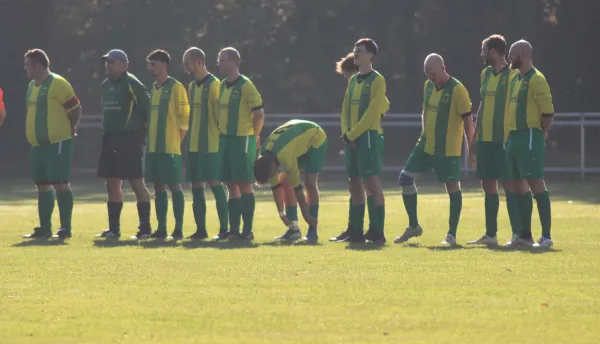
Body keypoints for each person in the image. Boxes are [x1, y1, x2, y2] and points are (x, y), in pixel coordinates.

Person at [395, 53, 474, 246]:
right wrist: (424, 134)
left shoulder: (458, 89)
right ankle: (413, 226)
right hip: (425, 144)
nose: (431, 78)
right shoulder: (428, 86)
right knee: (405, 178)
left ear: (443, 68)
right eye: (427, 74)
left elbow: (468, 122)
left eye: (433, 74)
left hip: (447, 149)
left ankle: (451, 235)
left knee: (452, 187)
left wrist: (472, 149)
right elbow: (425, 111)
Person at [467, 35, 524, 246]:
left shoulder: (512, 75)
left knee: (508, 184)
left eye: (483, 50)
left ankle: (517, 234)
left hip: (504, 140)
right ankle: (491, 235)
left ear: (493, 51)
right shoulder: (485, 74)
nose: (481, 54)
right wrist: (474, 137)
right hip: (486, 139)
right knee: (487, 184)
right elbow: (482, 106)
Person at [333, 38, 389, 244]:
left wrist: (354, 133)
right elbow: (345, 110)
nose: (355, 54)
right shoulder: (353, 80)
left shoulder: (377, 80)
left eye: (360, 51)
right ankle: (355, 230)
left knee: (371, 183)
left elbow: (374, 112)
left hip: (367, 138)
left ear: (371, 55)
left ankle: (377, 231)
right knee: (354, 184)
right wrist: (346, 133)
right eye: (354, 50)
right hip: (352, 139)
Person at [22, 49, 82, 240]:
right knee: (42, 185)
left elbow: (75, 108)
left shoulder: (58, 83)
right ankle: (45, 228)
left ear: (36, 65)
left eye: (27, 64)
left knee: (60, 184)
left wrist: (71, 127)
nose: (25, 68)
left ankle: (65, 227)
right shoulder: (32, 86)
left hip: (57, 143)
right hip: (37, 146)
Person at [96, 49, 153, 240]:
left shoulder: (132, 83)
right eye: (107, 62)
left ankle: (145, 229)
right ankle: (114, 229)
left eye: (112, 62)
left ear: (123, 64)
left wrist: (142, 132)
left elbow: (148, 109)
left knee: (136, 182)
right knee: (112, 183)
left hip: (129, 138)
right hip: (110, 137)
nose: (108, 65)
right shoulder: (106, 85)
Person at [505, 40, 555, 248]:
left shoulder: (537, 79)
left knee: (535, 183)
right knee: (517, 185)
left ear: (523, 55)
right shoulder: (516, 78)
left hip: (530, 136)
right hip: (514, 137)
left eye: (513, 54)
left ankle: (546, 236)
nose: (509, 58)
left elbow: (548, 112)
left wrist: (541, 132)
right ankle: (524, 235)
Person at [216, 47, 265, 241]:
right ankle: (234, 229)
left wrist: (255, 135)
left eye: (221, 59)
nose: (218, 63)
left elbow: (259, 113)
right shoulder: (221, 85)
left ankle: (248, 230)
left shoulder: (245, 85)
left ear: (232, 62)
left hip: (242, 140)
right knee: (230, 184)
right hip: (225, 140)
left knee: (244, 183)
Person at [182, 47, 229, 240]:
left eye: (187, 63)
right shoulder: (192, 86)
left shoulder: (215, 85)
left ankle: (225, 229)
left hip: (211, 143)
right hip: (193, 144)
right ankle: (201, 229)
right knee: (196, 184)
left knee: (215, 182)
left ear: (199, 62)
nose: (185, 67)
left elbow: (220, 116)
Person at [254, 120, 325, 241]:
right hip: (297, 141)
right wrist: (282, 214)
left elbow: (298, 189)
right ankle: (294, 230)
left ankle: (313, 229)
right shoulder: (265, 157)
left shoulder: (285, 156)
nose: (273, 177)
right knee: (285, 181)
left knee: (310, 183)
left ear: (271, 169)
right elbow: (275, 187)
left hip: (315, 136)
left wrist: (306, 215)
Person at [145, 50, 189, 240]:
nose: (150, 67)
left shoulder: (176, 87)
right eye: (149, 64)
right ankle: (161, 228)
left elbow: (184, 121)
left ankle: (178, 228)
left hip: (170, 148)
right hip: (154, 148)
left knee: (174, 186)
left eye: (153, 64)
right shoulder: (154, 88)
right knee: (158, 187)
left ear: (164, 64)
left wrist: (175, 141)